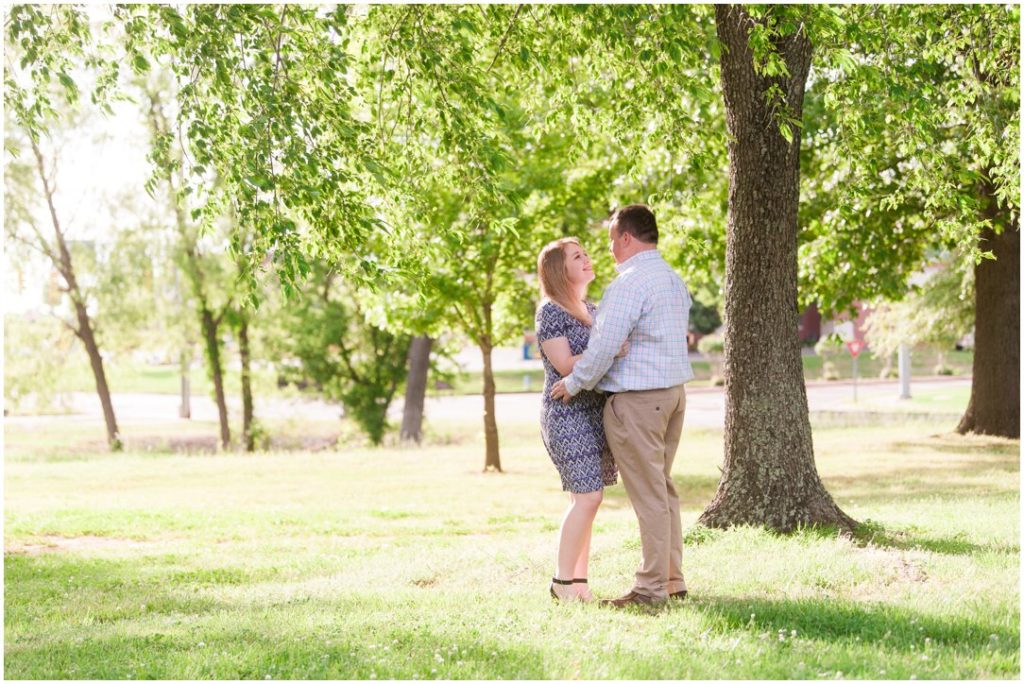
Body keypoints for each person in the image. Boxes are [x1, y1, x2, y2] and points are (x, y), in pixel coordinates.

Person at [551, 204, 694, 609]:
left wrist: (574, 384)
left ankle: (650, 590)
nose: (609, 249)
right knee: (663, 491)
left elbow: (602, 348)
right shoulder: (671, 279)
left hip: (638, 402)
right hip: (673, 397)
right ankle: (671, 579)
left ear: (626, 238)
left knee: (650, 496)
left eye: (612, 240)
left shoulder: (629, 284)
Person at [535, 237, 625, 603]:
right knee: (587, 498)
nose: (587, 259)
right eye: (577, 256)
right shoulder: (551, 311)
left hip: (594, 412)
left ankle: (579, 584)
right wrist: (609, 348)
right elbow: (565, 365)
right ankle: (561, 583)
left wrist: (612, 349)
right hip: (566, 413)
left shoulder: (592, 308)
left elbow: (609, 353)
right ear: (560, 269)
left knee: (590, 500)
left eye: (585, 254)